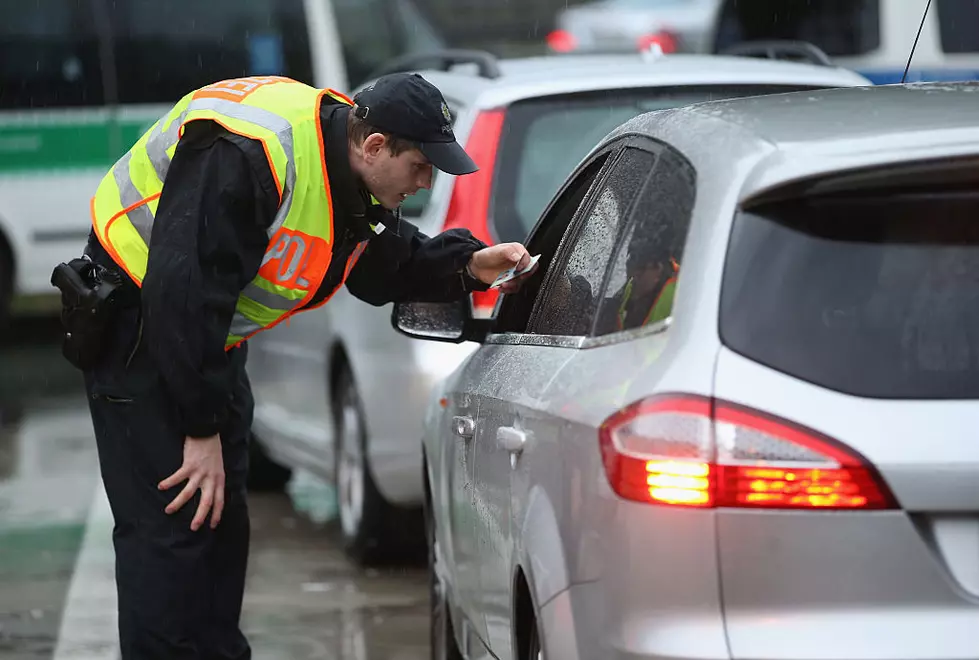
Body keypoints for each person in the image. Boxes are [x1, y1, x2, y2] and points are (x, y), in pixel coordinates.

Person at [60, 72, 534, 659]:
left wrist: (468, 265)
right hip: (141, 334)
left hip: (205, 346)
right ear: (376, 145)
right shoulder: (248, 153)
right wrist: (200, 427)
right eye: (420, 165)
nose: (425, 181)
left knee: (216, 533)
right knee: (170, 540)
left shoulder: (345, 163)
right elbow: (181, 293)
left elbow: (380, 258)